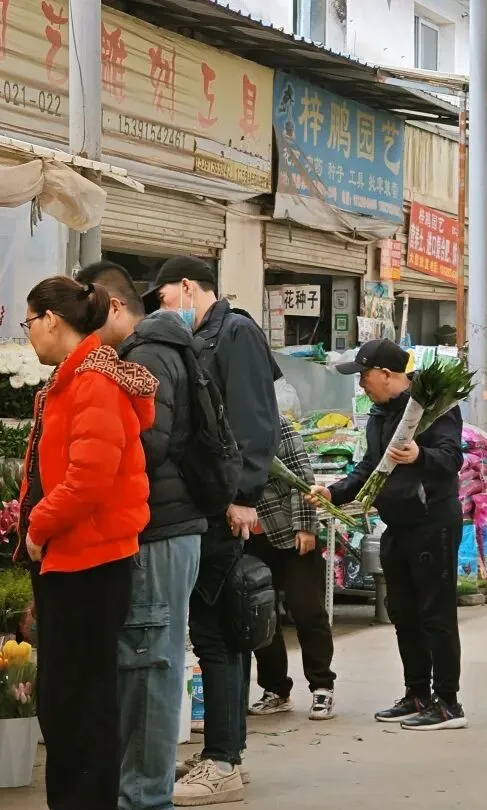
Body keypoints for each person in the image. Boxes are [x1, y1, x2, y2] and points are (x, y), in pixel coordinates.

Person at [16, 276, 157, 810]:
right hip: (73, 560)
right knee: (69, 701)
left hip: (89, 563)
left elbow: (88, 479)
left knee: (79, 704)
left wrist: (38, 525)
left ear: (52, 320)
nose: (29, 333)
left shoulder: (93, 383)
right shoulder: (74, 378)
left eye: (29, 322)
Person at [145, 256, 281, 807]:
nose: (162, 310)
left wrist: (244, 496)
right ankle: (226, 752)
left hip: (226, 504)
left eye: (163, 299)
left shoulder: (237, 332)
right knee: (221, 628)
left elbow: (256, 419)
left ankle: (222, 761)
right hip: (210, 502)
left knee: (217, 631)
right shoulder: (205, 336)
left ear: (185, 286)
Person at [76, 261, 206, 810]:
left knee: (150, 665)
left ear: (110, 304)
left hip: (160, 527)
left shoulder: (145, 355)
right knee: (148, 661)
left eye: (84, 311)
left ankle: (145, 799)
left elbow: (148, 444)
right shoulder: (153, 349)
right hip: (167, 525)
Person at [308, 339, 466, 730]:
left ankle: (448, 702)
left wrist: (420, 456)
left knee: (436, 615)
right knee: (404, 613)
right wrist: (334, 492)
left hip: (432, 524)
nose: (361, 384)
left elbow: (452, 459)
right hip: (396, 526)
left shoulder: (435, 406)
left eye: (363, 376)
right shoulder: (379, 414)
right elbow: (369, 466)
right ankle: (417, 693)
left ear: (385, 374)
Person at [246, 415, 336, 720]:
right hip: (248, 537)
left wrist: (306, 526)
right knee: (260, 614)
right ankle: (275, 689)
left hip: (288, 530)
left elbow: (301, 476)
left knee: (307, 608)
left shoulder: (273, 422)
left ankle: (322, 686)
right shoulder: (222, 420)